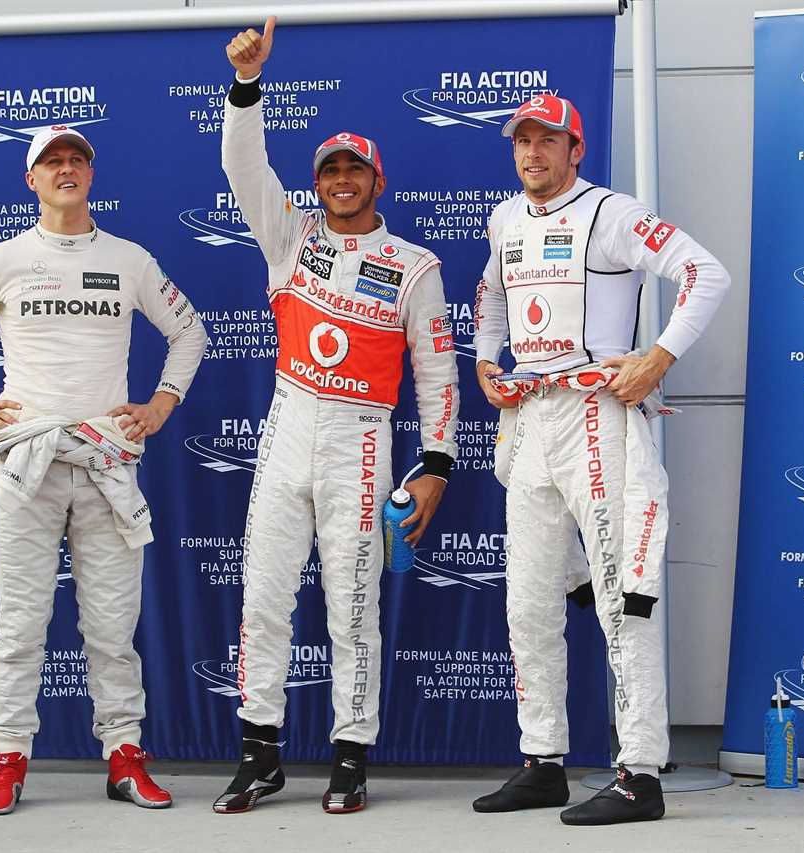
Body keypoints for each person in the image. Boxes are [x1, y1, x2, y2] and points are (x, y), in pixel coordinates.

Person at [0, 125, 208, 815]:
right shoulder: (6, 256)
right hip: (26, 463)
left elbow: (189, 330)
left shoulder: (129, 259)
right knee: (19, 622)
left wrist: (162, 403)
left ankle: (125, 758)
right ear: (31, 180)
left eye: (77, 159)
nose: (66, 169)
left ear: (91, 175)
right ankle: (9, 758)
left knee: (112, 625)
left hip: (106, 459)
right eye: (52, 162)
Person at [215, 17, 459, 815]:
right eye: (330, 170)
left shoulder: (413, 264)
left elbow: (436, 371)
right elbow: (242, 164)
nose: (342, 180)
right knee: (262, 595)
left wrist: (436, 464)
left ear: (378, 181)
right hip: (288, 424)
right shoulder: (289, 235)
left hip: (361, 437)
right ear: (317, 182)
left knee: (352, 603)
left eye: (356, 169)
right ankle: (260, 753)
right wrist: (248, 87)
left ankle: (351, 755)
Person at [469, 95, 730, 826]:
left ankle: (640, 772)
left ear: (575, 148)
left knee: (625, 599)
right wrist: (488, 361)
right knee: (527, 603)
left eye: (547, 140)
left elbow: (706, 273)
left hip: (598, 416)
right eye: (522, 141)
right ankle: (543, 760)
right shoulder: (504, 218)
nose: (532, 154)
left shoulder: (613, 212)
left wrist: (658, 357)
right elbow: (493, 296)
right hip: (530, 422)